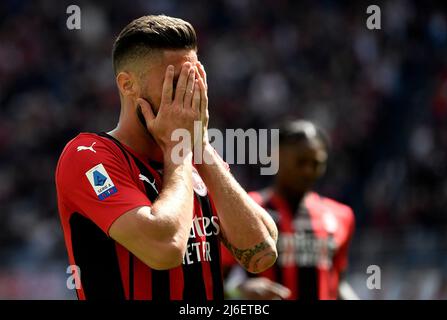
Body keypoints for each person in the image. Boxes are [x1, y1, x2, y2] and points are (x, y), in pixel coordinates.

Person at [55, 15, 278, 300]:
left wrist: (199, 144)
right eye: (174, 83)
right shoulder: (89, 155)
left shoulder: (196, 158)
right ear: (127, 85)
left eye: (193, 82)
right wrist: (181, 149)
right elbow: (165, 249)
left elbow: (262, 253)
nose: (186, 97)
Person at [223, 119, 358, 300]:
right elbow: (213, 281)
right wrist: (239, 291)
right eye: (301, 162)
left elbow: (337, 282)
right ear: (276, 156)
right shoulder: (247, 209)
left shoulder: (341, 216)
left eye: (316, 163)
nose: (308, 171)